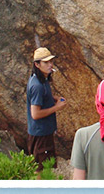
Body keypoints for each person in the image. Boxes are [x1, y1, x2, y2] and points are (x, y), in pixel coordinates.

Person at [26, 47, 67, 178]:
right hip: (40, 134)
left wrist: (53, 99)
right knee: (39, 168)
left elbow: (41, 98)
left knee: (43, 165)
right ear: (37, 64)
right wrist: (57, 107)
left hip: (43, 131)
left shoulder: (41, 79)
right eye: (46, 62)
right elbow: (35, 114)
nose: (50, 65)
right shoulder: (37, 85)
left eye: (51, 61)